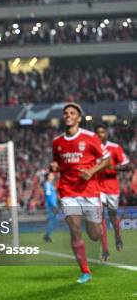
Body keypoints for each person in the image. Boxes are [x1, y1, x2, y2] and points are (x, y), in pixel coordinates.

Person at [50, 104, 110, 283]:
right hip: (68, 190)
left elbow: (106, 160)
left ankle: (101, 227)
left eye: (72, 113)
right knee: (75, 229)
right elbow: (59, 164)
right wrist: (54, 167)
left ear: (79, 118)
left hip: (90, 191)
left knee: (94, 234)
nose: (68, 116)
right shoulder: (57, 142)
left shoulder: (90, 138)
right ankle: (85, 271)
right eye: (66, 113)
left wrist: (91, 171)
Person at [94, 123, 131, 259]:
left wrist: (112, 168)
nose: (99, 135)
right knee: (100, 218)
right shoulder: (91, 149)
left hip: (112, 189)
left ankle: (118, 235)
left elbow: (127, 166)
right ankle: (105, 250)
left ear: (106, 134)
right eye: (97, 133)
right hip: (98, 188)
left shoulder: (115, 148)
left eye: (102, 132)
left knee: (113, 217)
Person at [42, 172, 58, 242]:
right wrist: (53, 205)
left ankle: (47, 235)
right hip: (51, 206)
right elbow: (48, 195)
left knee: (53, 221)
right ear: (48, 177)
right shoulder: (48, 184)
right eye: (51, 175)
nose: (53, 176)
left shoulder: (50, 185)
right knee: (52, 221)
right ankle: (47, 236)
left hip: (52, 205)